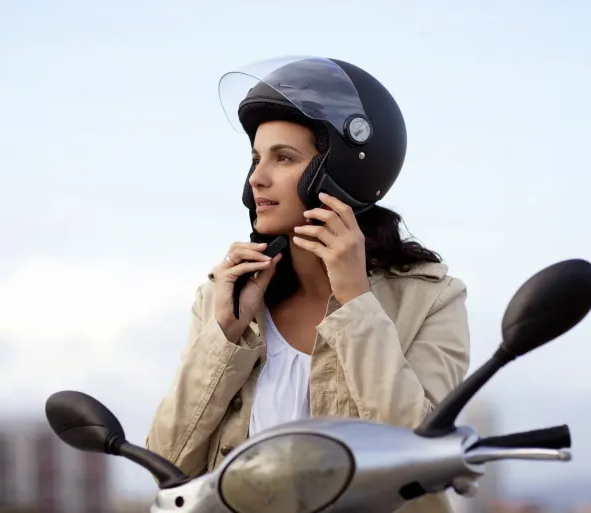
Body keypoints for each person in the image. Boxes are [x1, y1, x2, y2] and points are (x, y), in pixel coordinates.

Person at [146, 56, 471, 513]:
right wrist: (224, 335)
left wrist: (357, 302)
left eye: (283, 158)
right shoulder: (223, 297)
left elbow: (419, 462)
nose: (257, 177)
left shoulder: (431, 298)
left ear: (345, 170)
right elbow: (168, 470)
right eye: (256, 159)